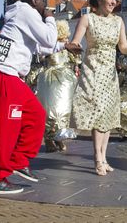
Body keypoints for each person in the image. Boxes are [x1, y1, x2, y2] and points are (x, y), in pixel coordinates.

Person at [0, 0, 80, 195]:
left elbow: (39, 47)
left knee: (36, 116)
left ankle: (19, 161)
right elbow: (47, 37)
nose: (46, 6)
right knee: (8, 127)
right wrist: (50, 17)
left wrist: (64, 47)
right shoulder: (26, 12)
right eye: (44, 2)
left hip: (7, 76)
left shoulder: (21, 16)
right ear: (36, 1)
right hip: (4, 75)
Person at [71, 0, 127, 176]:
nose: (113, 1)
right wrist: (74, 46)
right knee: (98, 112)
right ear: (100, 0)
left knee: (109, 114)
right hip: (93, 70)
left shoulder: (118, 21)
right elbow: (75, 42)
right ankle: (97, 158)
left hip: (110, 73)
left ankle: (104, 156)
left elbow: (123, 47)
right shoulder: (87, 19)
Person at [37, 20, 80, 153]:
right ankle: (49, 139)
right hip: (51, 81)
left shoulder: (68, 48)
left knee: (65, 110)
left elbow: (77, 61)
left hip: (66, 82)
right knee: (50, 110)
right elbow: (40, 55)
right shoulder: (51, 46)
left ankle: (59, 138)